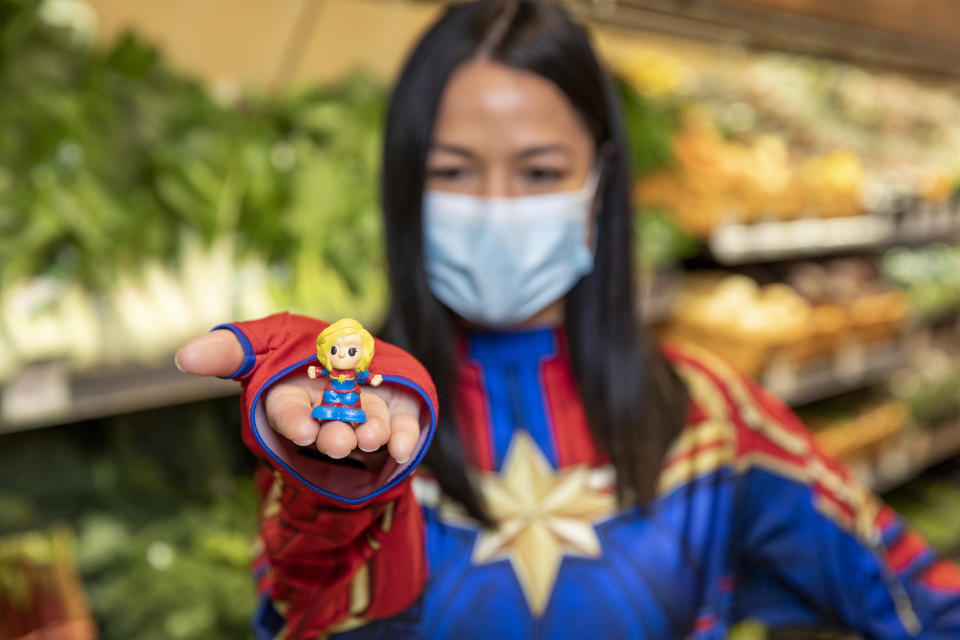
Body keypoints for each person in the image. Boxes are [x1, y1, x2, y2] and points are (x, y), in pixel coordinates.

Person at [175, 1, 960, 638]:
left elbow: (919, 599)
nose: (495, 205)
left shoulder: (714, 422)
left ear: (601, 182)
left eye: (539, 171)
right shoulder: (367, 434)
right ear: (405, 186)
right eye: (453, 170)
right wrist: (333, 494)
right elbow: (294, 615)